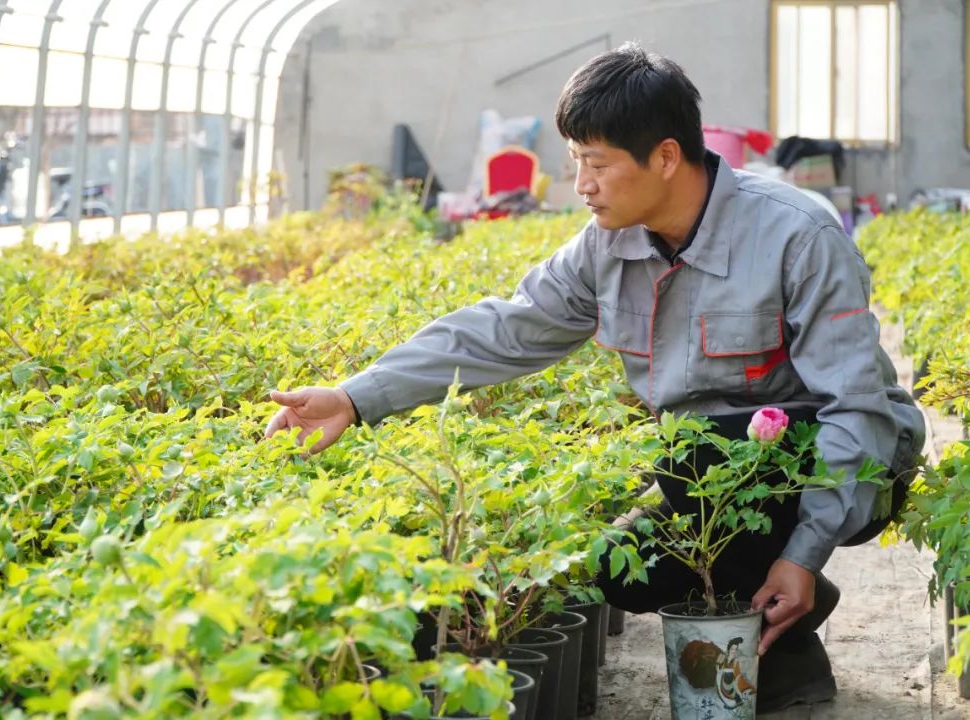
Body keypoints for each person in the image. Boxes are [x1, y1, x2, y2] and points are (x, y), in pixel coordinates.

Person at [265, 42, 925, 713]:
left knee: (703, 450)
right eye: (575, 161)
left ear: (665, 157)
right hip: (704, 469)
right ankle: (768, 605)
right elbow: (509, 326)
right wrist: (355, 396)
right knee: (616, 567)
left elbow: (858, 407)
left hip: (847, 460)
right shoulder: (607, 243)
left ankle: (783, 637)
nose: (581, 184)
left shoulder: (796, 235)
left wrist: (805, 553)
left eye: (597, 163)